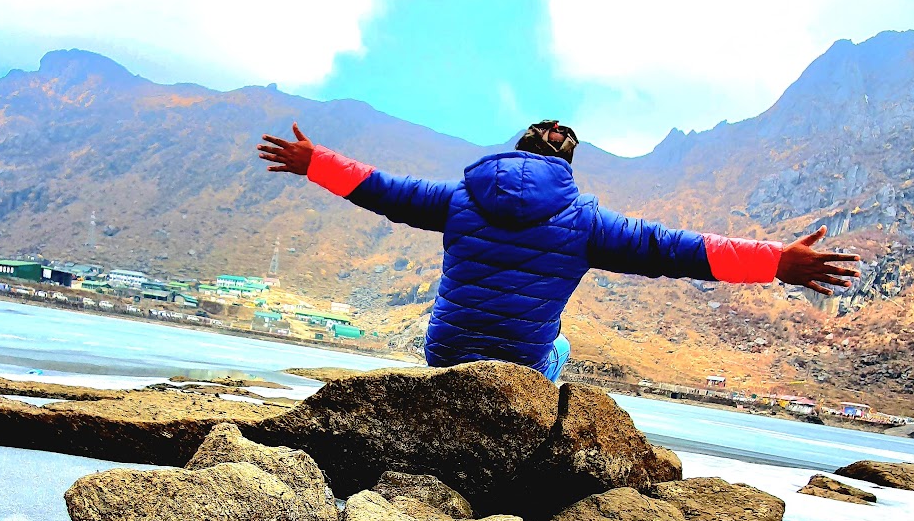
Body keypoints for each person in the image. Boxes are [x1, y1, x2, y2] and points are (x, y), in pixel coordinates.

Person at [257, 119, 859, 381]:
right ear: (566, 165)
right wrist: (778, 262)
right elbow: (681, 251)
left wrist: (316, 165)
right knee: (561, 342)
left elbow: (381, 189)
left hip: (446, 352)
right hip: (522, 362)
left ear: (513, 150)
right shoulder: (586, 223)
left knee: (441, 321)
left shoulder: (457, 199)